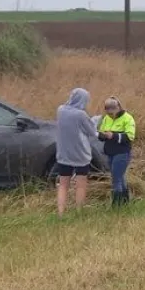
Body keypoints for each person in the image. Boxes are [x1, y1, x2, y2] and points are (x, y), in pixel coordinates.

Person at [55, 88, 98, 217]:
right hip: (80, 154)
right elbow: (91, 132)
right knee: (80, 184)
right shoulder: (81, 115)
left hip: (64, 153)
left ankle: (61, 212)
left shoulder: (60, 110)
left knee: (63, 184)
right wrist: (95, 120)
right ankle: (79, 211)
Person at [98, 96, 136, 206]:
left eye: (112, 109)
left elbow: (130, 137)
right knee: (120, 177)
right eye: (107, 109)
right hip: (110, 153)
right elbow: (101, 134)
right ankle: (125, 202)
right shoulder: (106, 118)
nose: (110, 112)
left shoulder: (127, 118)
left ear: (118, 107)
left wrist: (114, 136)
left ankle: (116, 206)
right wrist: (102, 135)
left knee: (116, 179)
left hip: (122, 153)